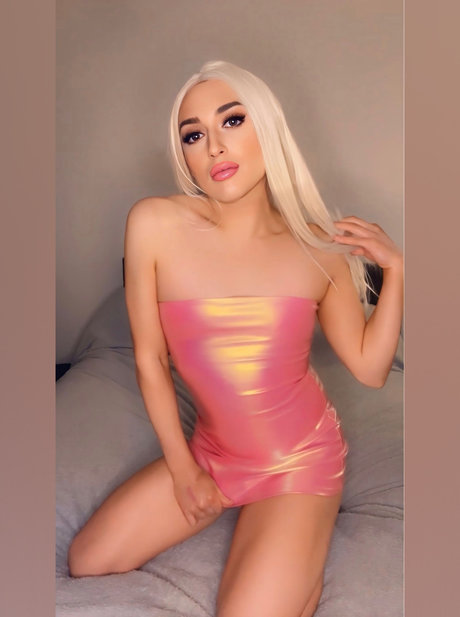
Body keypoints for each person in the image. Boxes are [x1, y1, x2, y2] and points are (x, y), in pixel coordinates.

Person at [67, 60, 403, 617]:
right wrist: (184, 470)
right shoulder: (154, 223)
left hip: (297, 461)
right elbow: (150, 359)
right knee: (88, 560)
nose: (214, 147)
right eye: (193, 135)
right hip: (213, 452)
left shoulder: (318, 248)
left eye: (232, 120)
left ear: (267, 127)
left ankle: (299, 552)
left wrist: (396, 272)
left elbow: (370, 369)